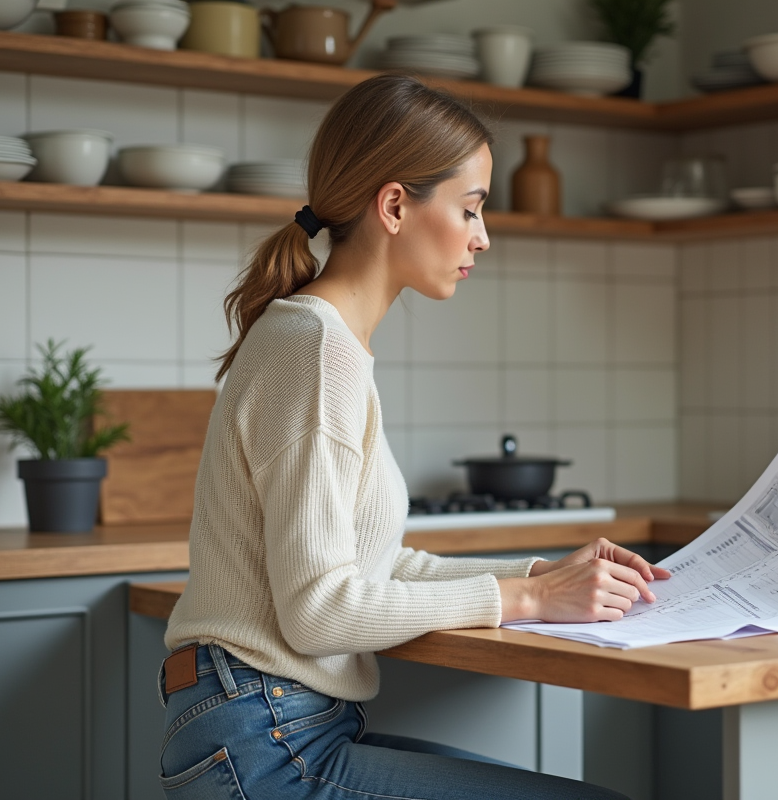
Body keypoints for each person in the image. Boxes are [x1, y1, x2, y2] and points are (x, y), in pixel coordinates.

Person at [158, 74, 670, 800]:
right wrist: (525, 602)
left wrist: (540, 575)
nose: (483, 237)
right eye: (470, 208)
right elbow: (320, 610)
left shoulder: (320, 339)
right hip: (266, 742)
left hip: (275, 726)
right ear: (395, 205)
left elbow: (371, 564)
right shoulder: (315, 348)